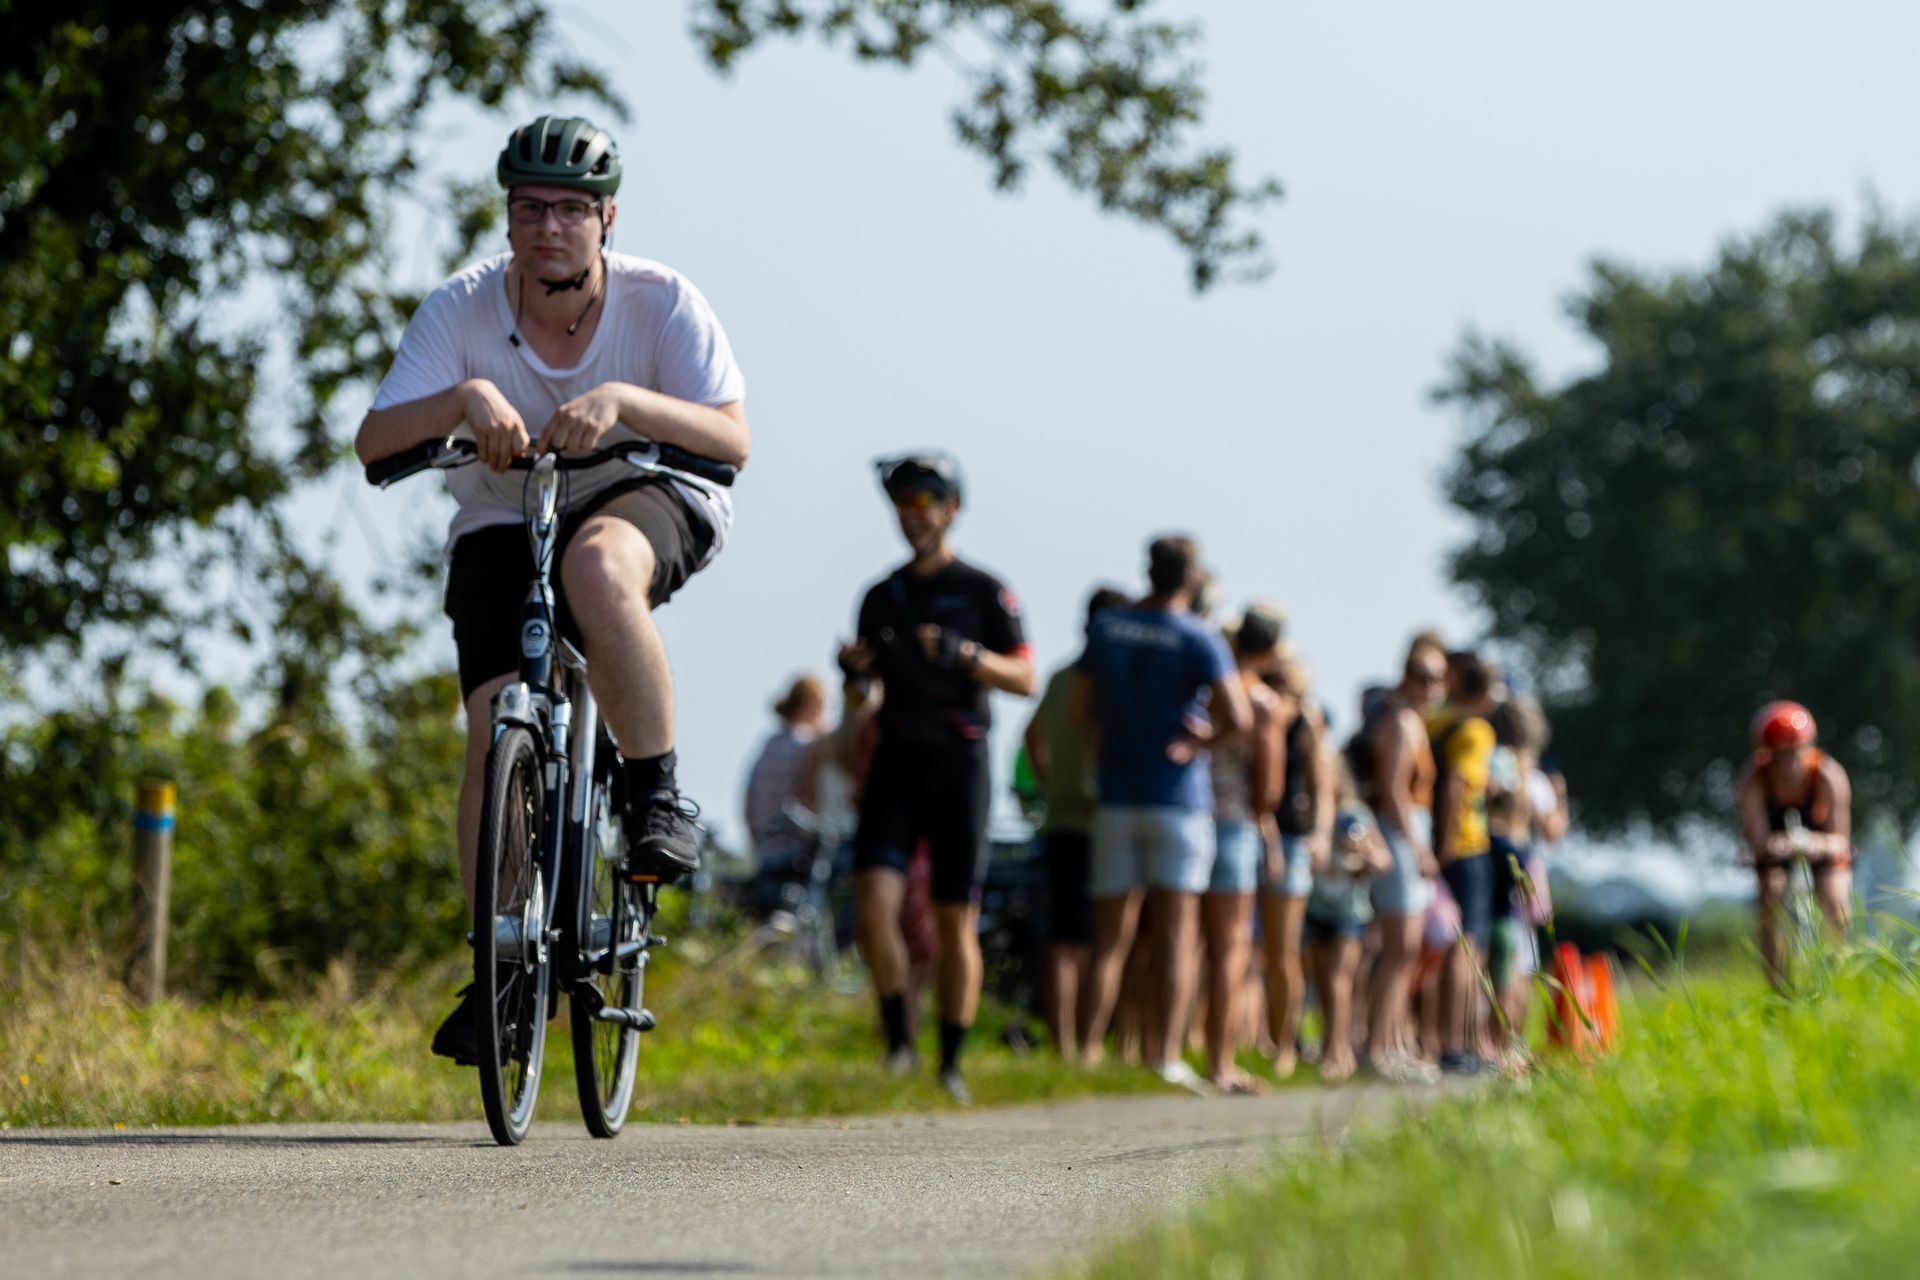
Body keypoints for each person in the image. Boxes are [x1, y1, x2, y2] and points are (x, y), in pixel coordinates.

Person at [355, 115, 750, 1064]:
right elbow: (374, 443)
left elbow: (731, 440)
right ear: (507, 218)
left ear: (607, 217)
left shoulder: (660, 304)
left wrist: (622, 405)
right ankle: (502, 965)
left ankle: (655, 794)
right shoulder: (461, 309)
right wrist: (462, 402)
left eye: (571, 210)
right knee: (495, 730)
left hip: (642, 494)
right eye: (530, 209)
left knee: (597, 566)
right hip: (502, 512)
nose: (548, 229)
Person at [839, 453, 1035, 1102]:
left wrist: (966, 655)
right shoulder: (879, 595)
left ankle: (949, 1062)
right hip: (895, 759)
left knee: (956, 920)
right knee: (874, 902)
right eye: (902, 504)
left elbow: (1025, 677)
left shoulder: (983, 591)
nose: (913, 515)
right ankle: (899, 1043)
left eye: (925, 502)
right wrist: (856, 676)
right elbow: (861, 697)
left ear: (951, 509)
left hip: (960, 762)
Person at [1075, 536, 1251, 1091]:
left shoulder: (1108, 629)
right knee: (1178, 935)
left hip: (1118, 795)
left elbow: (1081, 709)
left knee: (1110, 937)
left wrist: (1111, 742)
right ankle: (1165, 1054)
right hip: (1178, 800)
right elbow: (1238, 717)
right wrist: (1201, 741)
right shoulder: (1199, 636)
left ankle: (1084, 1052)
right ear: (1191, 577)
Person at [1024, 586, 1130, 1058]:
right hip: (1098, 823)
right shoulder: (1109, 679)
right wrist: (1090, 788)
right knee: (1091, 939)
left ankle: (1066, 1044)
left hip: (1060, 818)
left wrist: (1052, 784)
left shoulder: (1061, 675)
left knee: (1063, 938)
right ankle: (1087, 1046)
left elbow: (1033, 736)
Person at [1353, 634, 1446, 1083]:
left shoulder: (1412, 721)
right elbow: (1392, 791)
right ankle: (1378, 1048)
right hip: (1400, 833)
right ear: (1406, 677)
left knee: (1407, 951)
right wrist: (1418, 847)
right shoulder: (1399, 722)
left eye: (1438, 678)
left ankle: (1392, 1043)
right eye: (1423, 677)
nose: (1432, 686)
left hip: (1410, 830)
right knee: (1398, 948)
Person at [1202, 604, 1287, 1092]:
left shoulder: (1208, 687)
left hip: (1193, 815)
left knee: (1184, 942)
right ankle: (1221, 1061)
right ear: (1271, 650)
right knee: (1231, 947)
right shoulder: (1262, 701)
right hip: (1234, 826)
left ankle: (1158, 1049)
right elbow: (1269, 791)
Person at [1737, 700, 1854, 991]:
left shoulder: (1829, 776)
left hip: (1821, 842)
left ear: (1808, 748)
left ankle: (1840, 973)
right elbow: (1758, 838)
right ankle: (1778, 987)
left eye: (1794, 754)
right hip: (1775, 844)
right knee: (1770, 896)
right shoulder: (1753, 780)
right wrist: (1772, 846)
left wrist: (1815, 843)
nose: (1787, 765)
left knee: (1835, 898)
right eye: (1778, 757)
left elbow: (1841, 839)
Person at [1258, 643, 1335, 1079]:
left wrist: (1321, 835)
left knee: (1284, 951)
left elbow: (1322, 786)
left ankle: (1285, 1044)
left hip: (1291, 839)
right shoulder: (1260, 706)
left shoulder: (1309, 720)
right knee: (1249, 949)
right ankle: (1259, 1037)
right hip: (1257, 830)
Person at [1425, 652, 1499, 1075]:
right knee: (1468, 944)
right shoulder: (1476, 730)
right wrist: (1451, 846)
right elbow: (1457, 785)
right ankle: (1457, 1044)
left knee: (1452, 943)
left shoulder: (1439, 720)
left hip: (1438, 838)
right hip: (1466, 845)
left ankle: (1448, 1040)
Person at [1303, 766, 1393, 1081]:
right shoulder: (1308, 810)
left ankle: (1337, 1051)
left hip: (1350, 912)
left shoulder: (1356, 815)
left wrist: (1363, 852)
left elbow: (1383, 859)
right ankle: (1332, 1044)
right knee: (1323, 982)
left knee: (1339, 980)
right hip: (1315, 908)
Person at [743, 675, 829, 877]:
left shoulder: (768, 744)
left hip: (764, 848)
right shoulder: (808, 744)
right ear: (811, 704)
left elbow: (748, 799)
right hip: (799, 854)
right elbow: (811, 798)